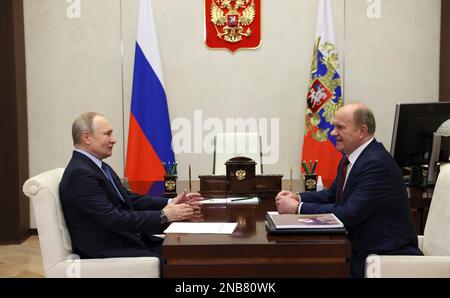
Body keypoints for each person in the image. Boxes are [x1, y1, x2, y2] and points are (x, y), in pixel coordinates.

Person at [275, 102, 422, 277]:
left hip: (383, 257)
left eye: (340, 127)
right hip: (360, 250)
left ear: (362, 131)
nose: (332, 133)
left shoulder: (376, 164)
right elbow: (332, 195)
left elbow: (349, 214)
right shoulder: (351, 159)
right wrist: (298, 197)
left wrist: (296, 209)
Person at [59, 112, 202, 259]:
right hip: (110, 250)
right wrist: (164, 216)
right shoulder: (80, 174)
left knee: (189, 249)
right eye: (107, 134)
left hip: (127, 240)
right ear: (86, 137)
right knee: (187, 257)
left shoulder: (96, 166)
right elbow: (113, 218)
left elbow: (128, 199)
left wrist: (170, 202)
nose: (113, 140)